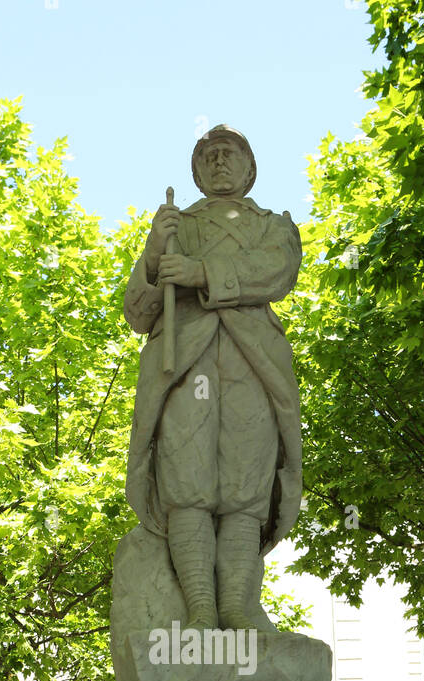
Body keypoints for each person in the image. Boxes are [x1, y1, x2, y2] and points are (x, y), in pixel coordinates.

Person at [123, 125, 303, 630]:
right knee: (188, 484)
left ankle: (237, 608)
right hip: (184, 364)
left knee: (245, 488)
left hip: (253, 364)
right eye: (209, 155)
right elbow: (137, 311)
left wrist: (201, 273)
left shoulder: (275, 226)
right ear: (196, 170)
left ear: (250, 169)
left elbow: (275, 270)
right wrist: (155, 259)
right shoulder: (176, 227)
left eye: (230, 154)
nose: (219, 162)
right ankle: (199, 608)